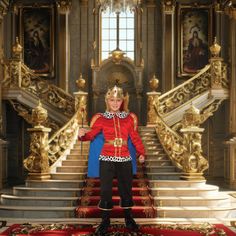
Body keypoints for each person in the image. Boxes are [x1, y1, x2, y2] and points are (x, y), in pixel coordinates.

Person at [78, 85, 145, 235]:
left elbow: (134, 137)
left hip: (125, 158)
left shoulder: (128, 119)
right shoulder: (101, 119)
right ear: (107, 101)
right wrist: (82, 134)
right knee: (106, 191)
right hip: (106, 158)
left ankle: (129, 219)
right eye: (112, 100)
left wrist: (141, 153)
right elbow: (92, 135)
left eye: (118, 100)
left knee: (126, 190)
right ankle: (105, 221)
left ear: (122, 102)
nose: (115, 103)